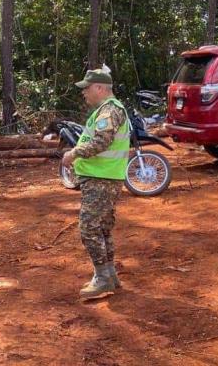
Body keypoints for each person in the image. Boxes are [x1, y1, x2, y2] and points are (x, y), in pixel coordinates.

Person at [61, 65, 130, 301]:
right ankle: (109, 275)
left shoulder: (109, 111)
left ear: (99, 88)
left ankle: (102, 278)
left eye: (87, 88)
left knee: (89, 228)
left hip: (102, 178)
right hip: (105, 177)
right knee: (102, 227)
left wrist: (73, 153)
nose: (84, 93)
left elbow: (101, 141)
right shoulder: (108, 109)